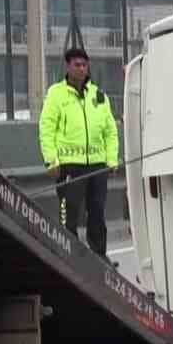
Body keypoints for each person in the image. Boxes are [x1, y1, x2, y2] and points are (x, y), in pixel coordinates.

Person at [38, 47, 119, 257]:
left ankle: (100, 256)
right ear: (68, 66)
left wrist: (111, 159)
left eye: (84, 65)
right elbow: (46, 127)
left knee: (97, 213)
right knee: (70, 214)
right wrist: (51, 160)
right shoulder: (56, 94)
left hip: (97, 165)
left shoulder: (99, 95)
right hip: (69, 165)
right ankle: (69, 257)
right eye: (77, 65)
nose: (82, 69)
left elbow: (110, 130)